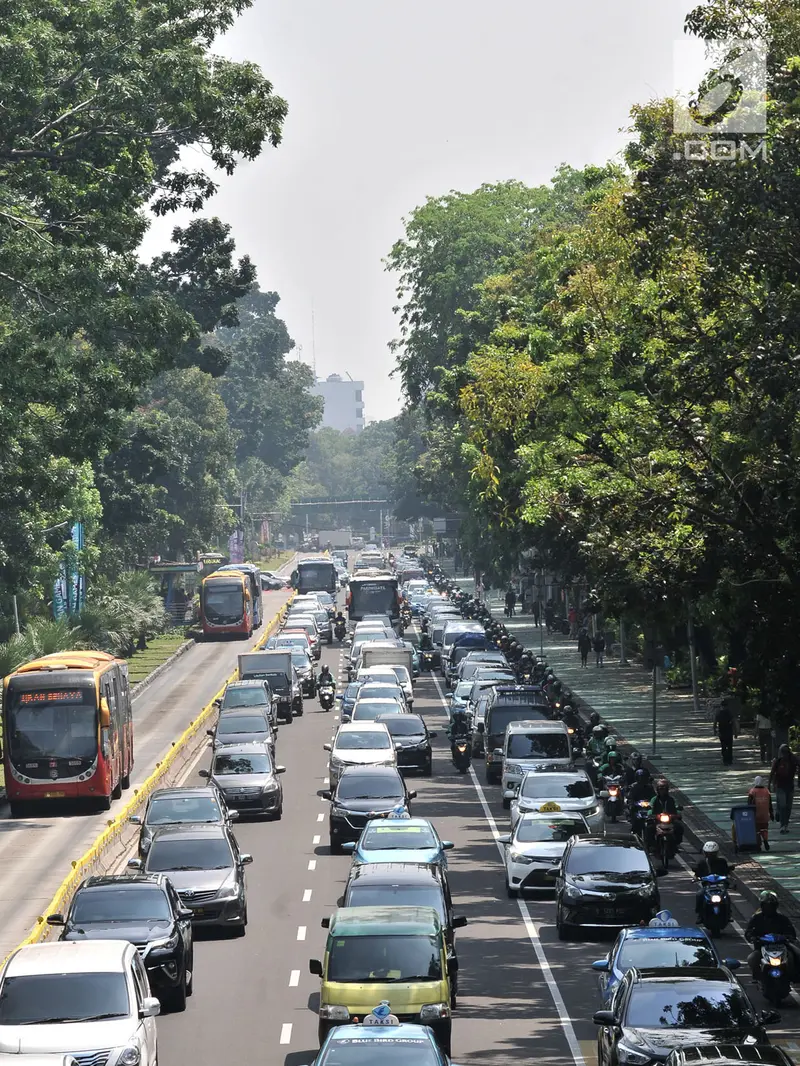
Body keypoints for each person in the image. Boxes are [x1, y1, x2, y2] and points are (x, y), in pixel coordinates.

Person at [745, 890, 800, 979]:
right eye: (767, 906)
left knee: (797, 954)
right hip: (762, 947)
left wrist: (788, 937)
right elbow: (748, 931)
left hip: (782, 947)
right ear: (762, 906)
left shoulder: (783, 919)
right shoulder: (756, 918)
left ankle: (794, 976)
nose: (769, 908)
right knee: (752, 959)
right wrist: (752, 937)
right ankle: (757, 976)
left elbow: (791, 932)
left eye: (771, 906)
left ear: (775, 907)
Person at [693, 840, 732, 916]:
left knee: (726, 896)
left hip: (720, 885)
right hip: (707, 886)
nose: (710, 856)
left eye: (712, 854)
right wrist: (696, 878)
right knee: (699, 894)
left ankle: (728, 913)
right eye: (708, 854)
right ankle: (700, 914)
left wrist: (729, 876)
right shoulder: (702, 863)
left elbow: (727, 872)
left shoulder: (722, 862)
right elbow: (696, 874)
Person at [769, 744, 800, 834]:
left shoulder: (793, 760)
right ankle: (782, 825)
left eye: (786, 753)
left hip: (790, 786)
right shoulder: (778, 761)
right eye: (783, 753)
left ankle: (785, 824)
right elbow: (772, 773)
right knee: (783, 805)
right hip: (780, 786)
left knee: (788, 807)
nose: (784, 755)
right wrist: (770, 785)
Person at [647, 778, 684, 852]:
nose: (662, 791)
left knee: (679, 827)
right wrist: (652, 813)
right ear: (657, 790)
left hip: (670, 821)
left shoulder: (671, 799)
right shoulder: (654, 799)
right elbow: (650, 807)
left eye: (664, 789)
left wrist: (676, 814)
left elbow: (675, 808)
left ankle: (675, 844)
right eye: (660, 789)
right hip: (657, 821)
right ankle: (652, 845)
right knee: (649, 828)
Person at [748, 776, 774, 851]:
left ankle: (758, 845)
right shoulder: (767, 791)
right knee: (764, 829)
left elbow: (749, 803)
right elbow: (770, 803)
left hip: (756, 815)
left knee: (757, 831)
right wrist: (771, 813)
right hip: (765, 815)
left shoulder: (752, 791)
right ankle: (765, 840)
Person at [714, 697, 738, 766]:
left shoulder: (718, 713)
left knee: (723, 746)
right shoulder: (729, 713)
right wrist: (735, 732)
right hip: (729, 732)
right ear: (727, 706)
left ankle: (725, 760)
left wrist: (715, 730)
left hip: (722, 732)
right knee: (729, 747)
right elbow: (734, 722)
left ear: (721, 706)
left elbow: (715, 723)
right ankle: (730, 760)